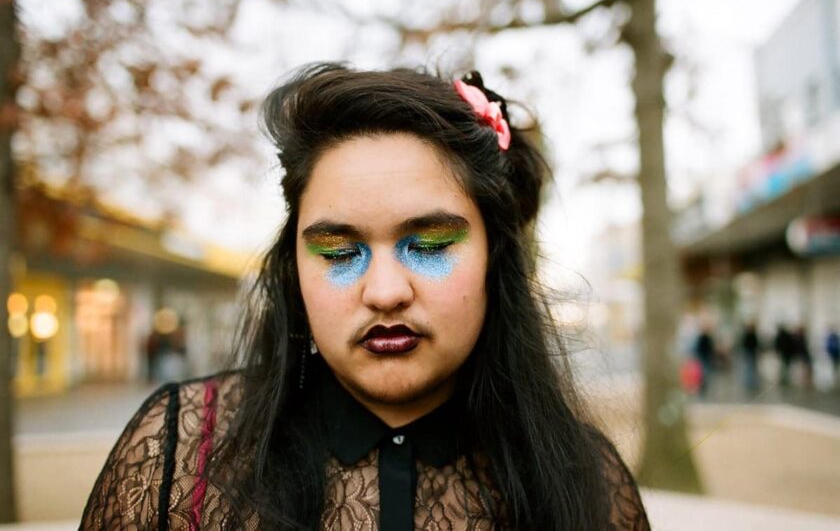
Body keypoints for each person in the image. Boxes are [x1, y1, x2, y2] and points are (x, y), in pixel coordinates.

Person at [80, 64, 649, 530]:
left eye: (428, 244)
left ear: (493, 259)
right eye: (337, 252)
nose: (384, 292)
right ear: (293, 269)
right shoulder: (179, 455)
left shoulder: (588, 482)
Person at [739, 322, 760, 393]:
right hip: (750, 353)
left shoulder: (750, 335)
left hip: (751, 353)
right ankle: (750, 382)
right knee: (750, 367)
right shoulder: (750, 335)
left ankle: (751, 382)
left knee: (751, 367)